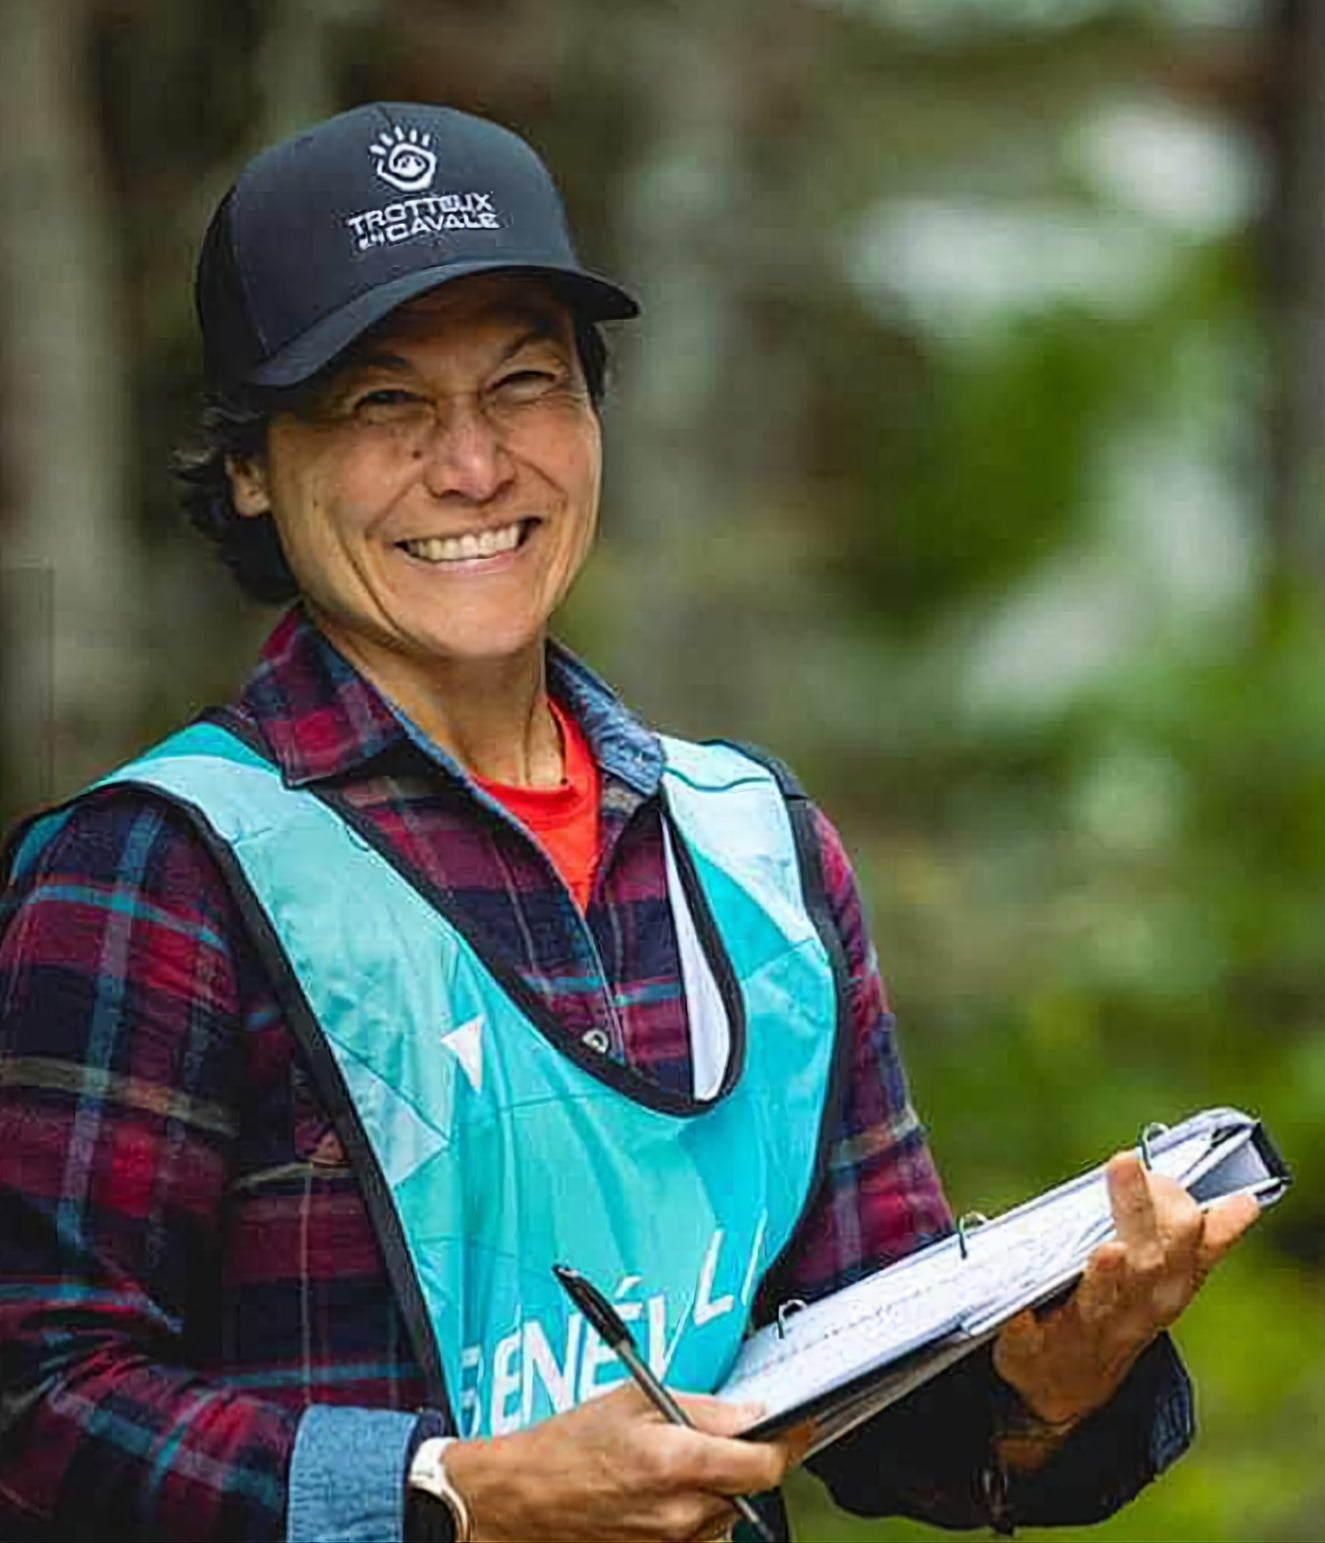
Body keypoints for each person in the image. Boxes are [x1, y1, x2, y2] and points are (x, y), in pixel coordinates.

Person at [0, 103, 1257, 1543]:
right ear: (246, 466)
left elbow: (870, 1396)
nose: (472, 467)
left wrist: (1048, 1381)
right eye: (380, 403)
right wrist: (452, 1495)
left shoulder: (754, 847)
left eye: (525, 384)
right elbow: (41, 1402)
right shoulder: (155, 871)